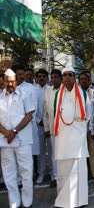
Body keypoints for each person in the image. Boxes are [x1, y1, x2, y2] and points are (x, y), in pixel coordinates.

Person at [53, 66, 90, 207]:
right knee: (64, 170)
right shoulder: (58, 95)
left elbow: (89, 114)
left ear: (74, 77)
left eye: (70, 75)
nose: (67, 77)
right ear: (62, 78)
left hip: (78, 138)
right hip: (63, 139)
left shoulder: (83, 94)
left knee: (78, 170)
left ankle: (79, 201)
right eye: (65, 75)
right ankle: (64, 202)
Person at [0, 69, 35, 207]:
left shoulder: (25, 95)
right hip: (4, 140)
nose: (11, 84)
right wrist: (6, 133)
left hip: (23, 140)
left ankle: (27, 203)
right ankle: (14, 203)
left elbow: (29, 115)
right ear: (3, 81)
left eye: (13, 81)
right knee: (9, 174)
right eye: (8, 81)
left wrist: (14, 132)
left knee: (26, 172)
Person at [43, 69, 62, 188]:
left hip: (65, 129)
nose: (54, 80)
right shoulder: (48, 91)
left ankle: (64, 176)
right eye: (52, 77)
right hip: (52, 128)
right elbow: (46, 112)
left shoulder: (65, 90)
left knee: (64, 153)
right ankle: (54, 177)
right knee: (54, 154)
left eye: (56, 77)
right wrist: (46, 128)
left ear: (60, 78)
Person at [79, 71, 94, 181]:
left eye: (85, 79)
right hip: (79, 129)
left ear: (89, 81)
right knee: (82, 153)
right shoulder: (75, 93)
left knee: (93, 151)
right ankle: (84, 174)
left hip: (92, 127)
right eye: (81, 79)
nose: (83, 81)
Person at [35, 69, 50, 184]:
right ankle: (41, 173)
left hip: (50, 125)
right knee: (40, 151)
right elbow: (30, 108)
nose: (41, 78)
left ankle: (53, 173)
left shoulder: (51, 90)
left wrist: (47, 123)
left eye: (44, 76)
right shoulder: (33, 91)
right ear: (36, 78)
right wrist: (38, 120)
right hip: (37, 125)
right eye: (39, 76)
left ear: (47, 78)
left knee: (51, 150)